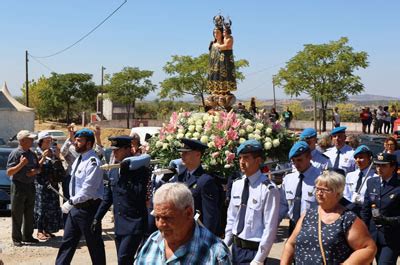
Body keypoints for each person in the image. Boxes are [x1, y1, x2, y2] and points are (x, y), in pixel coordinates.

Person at [281, 170, 377, 264]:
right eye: (317, 189)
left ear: (338, 193)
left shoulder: (347, 218)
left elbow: (368, 248)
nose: (319, 193)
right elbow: (290, 244)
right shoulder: (308, 215)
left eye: (324, 190)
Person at [135, 182, 232, 264]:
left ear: (189, 213)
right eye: (157, 217)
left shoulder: (216, 254)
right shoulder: (152, 242)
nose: (160, 224)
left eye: (167, 218)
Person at [93, 136, 150, 265]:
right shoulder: (114, 170)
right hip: (119, 224)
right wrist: (97, 217)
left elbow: (138, 194)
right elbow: (108, 197)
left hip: (134, 223)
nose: (114, 153)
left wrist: (126, 175)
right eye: (113, 150)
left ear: (127, 149)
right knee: (123, 259)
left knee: (124, 259)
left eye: (117, 150)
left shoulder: (140, 170)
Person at [224, 139, 280, 264]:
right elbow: (232, 217)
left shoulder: (268, 189)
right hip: (235, 249)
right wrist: (225, 244)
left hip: (253, 251)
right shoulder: (237, 184)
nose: (242, 162)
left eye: (246, 158)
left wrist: (258, 260)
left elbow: (269, 228)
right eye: (240, 158)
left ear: (258, 160)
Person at [55, 128, 106, 265]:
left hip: (88, 209)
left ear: (88, 144)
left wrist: (71, 201)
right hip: (75, 209)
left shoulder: (93, 162)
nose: (76, 143)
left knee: (94, 245)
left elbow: (88, 190)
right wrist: (72, 203)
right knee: (67, 243)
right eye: (76, 140)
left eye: (79, 141)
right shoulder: (80, 159)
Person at [176, 138, 222, 235]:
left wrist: (207, 239)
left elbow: (210, 216)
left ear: (198, 154)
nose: (182, 155)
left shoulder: (205, 180)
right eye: (182, 152)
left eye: (186, 152)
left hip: (196, 233)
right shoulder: (181, 176)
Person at [361, 153, 400, 264]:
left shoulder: (398, 186)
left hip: (391, 238)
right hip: (372, 235)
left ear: (392, 167)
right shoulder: (371, 182)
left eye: (383, 166)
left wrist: (388, 220)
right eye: (377, 165)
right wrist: (362, 230)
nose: (379, 168)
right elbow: (366, 210)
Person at [6, 130, 40, 246]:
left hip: (30, 186)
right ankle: (16, 238)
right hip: (18, 186)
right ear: (22, 140)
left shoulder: (32, 153)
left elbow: (39, 168)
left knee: (30, 212)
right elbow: (9, 172)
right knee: (17, 213)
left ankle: (28, 236)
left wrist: (34, 172)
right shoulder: (15, 153)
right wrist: (20, 165)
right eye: (30, 139)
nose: (32, 141)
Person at [280, 141, 321, 235]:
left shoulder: (320, 178)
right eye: (293, 161)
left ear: (309, 157)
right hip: (293, 227)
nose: (296, 164)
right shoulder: (288, 179)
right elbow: (283, 205)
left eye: (299, 160)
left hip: (314, 228)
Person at [34, 132, 64, 240]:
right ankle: (40, 231)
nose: (49, 143)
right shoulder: (37, 152)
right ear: (41, 142)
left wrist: (57, 156)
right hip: (42, 185)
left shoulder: (52, 152)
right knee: (41, 208)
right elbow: (36, 169)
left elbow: (59, 167)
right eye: (47, 141)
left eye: (50, 141)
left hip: (53, 185)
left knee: (52, 208)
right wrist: (43, 157)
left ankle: (48, 230)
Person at [343, 145, 378, 216]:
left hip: (366, 212)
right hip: (351, 211)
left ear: (369, 159)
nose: (358, 160)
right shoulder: (350, 175)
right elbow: (346, 194)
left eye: (361, 157)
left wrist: (361, 200)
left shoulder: (375, 177)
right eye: (356, 158)